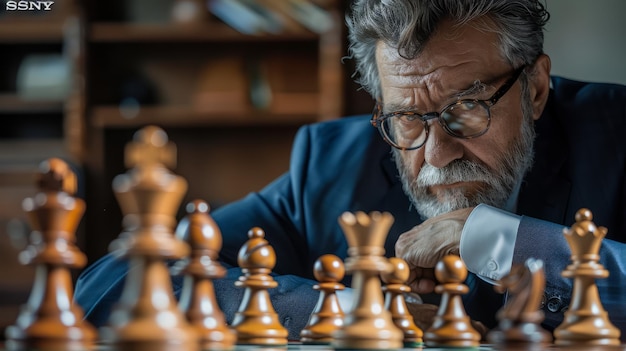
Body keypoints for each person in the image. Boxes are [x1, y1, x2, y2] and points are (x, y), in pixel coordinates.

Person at [74, 0, 626, 341]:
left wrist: (498, 240)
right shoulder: (331, 166)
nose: (435, 154)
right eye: (406, 118)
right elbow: (110, 284)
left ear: (533, 89)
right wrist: (350, 310)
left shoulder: (616, 136)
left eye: (466, 108)